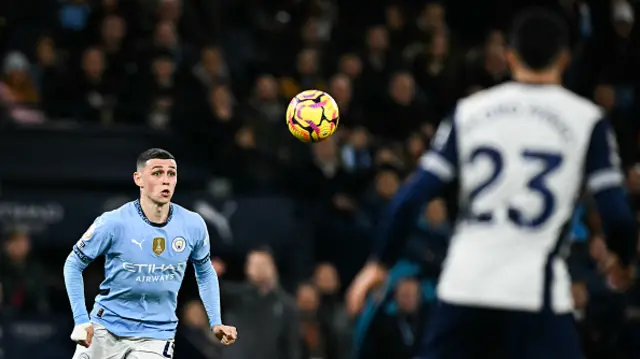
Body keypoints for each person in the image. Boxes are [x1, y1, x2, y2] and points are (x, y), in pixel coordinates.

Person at [346, 8, 637, 359]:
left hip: (466, 282)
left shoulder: (469, 111)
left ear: (510, 56)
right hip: (534, 289)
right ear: (564, 58)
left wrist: (378, 263)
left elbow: (410, 198)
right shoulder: (586, 120)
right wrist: (624, 259)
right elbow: (616, 213)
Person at [63, 148, 237, 359]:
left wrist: (215, 321)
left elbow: (205, 271)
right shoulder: (113, 222)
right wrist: (81, 319)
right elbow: (73, 263)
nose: (166, 180)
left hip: (156, 334)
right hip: (106, 327)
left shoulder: (193, 225)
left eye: (171, 174)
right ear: (139, 179)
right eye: (157, 173)